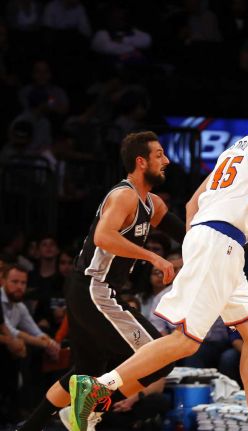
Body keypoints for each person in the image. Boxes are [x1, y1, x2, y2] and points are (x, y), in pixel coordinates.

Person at [68, 89, 248, 431]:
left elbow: (193, 204)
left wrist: (200, 241)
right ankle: (100, 386)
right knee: (186, 340)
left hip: (218, 242)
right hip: (220, 242)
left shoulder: (234, 150)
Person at [18, 131, 186, 431]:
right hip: (95, 289)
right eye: (159, 155)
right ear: (140, 161)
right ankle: (89, 407)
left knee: (85, 370)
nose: (167, 160)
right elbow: (103, 236)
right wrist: (153, 257)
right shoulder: (124, 195)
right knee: (160, 358)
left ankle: (30, 427)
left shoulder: (153, 204)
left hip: (86, 289)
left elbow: (188, 235)